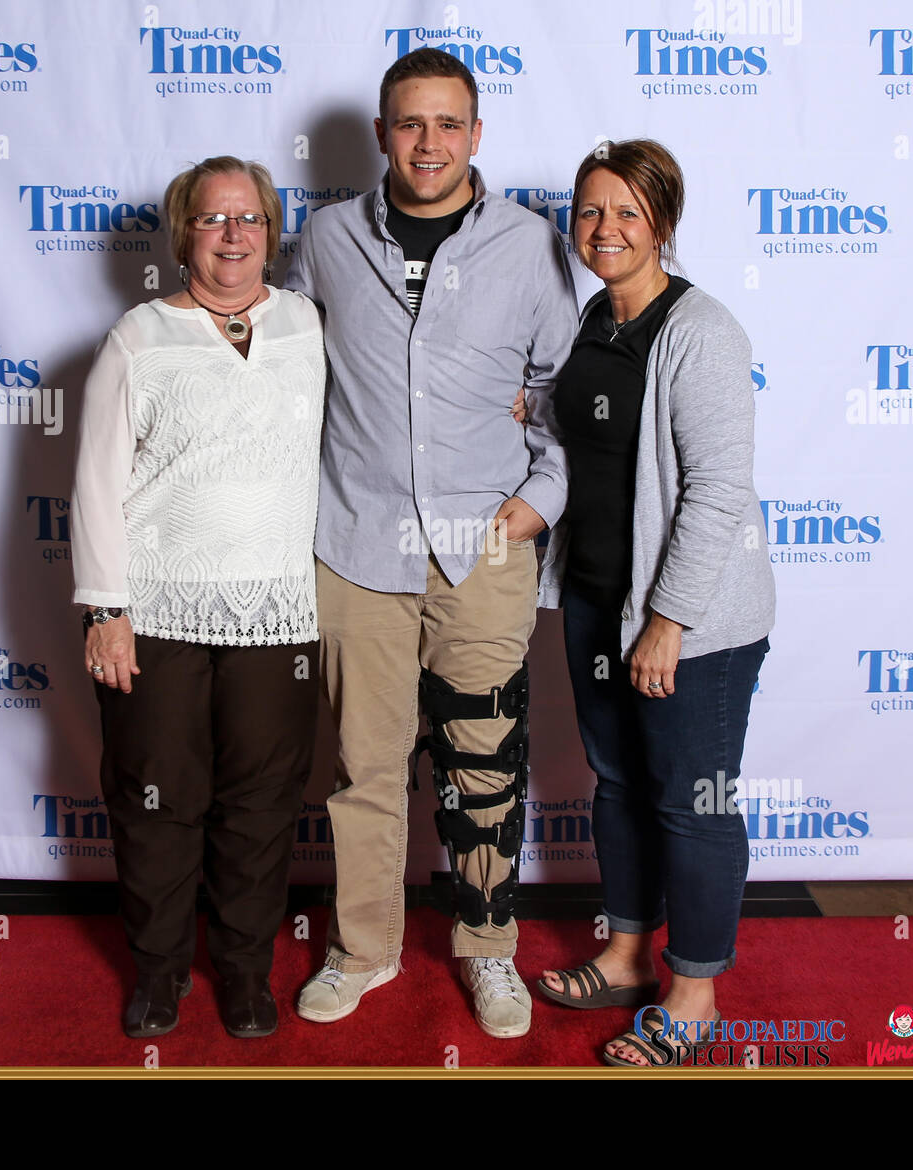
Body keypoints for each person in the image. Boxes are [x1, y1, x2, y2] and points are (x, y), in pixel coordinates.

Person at [284, 48, 576, 1038]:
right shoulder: (322, 241)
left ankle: (488, 950)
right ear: (380, 133)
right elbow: (283, 373)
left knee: (484, 761)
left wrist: (541, 496)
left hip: (484, 546)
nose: (428, 143)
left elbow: (563, 396)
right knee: (362, 767)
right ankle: (362, 949)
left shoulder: (532, 247)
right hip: (358, 544)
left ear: (476, 135)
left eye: (448, 124)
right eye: (410, 123)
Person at [71, 156, 326, 1040]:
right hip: (158, 612)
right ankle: (157, 972)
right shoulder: (138, 338)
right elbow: (97, 479)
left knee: (260, 807)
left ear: (271, 231)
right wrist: (106, 609)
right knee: (156, 797)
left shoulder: (306, 325)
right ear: (184, 232)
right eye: (214, 219)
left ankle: (247, 974)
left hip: (279, 612)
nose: (233, 235)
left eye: (249, 218)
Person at [535, 139, 775, 1066]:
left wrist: (667, 623)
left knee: (693, 802)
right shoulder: (596, 319)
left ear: (663, 226)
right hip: (597, 600)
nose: (604, 229)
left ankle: (694, 988)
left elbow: (718, 488)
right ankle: (629, 951)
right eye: (590, 212)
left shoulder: (702, 330)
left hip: (691, 623)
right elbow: (588, 435)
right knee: (620, 785)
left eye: (627, 213)